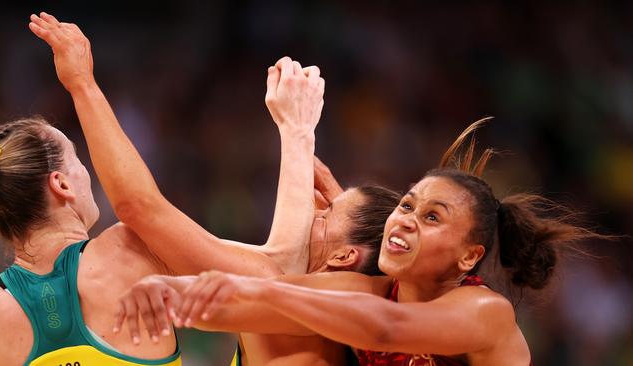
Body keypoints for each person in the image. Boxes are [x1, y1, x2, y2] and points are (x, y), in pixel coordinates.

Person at [26, 12, 400, 366]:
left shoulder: (323, 296)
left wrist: (83, 85)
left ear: (344, 257)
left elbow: (141, 207)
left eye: (327, 213)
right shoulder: (320, 298)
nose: (314, 208)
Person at [118, 120, 605, 366]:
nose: (408, 220)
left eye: (433, 217)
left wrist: (270, 290)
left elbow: (389, 329)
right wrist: (173, 294)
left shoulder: (484, 311)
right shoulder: (366, 292)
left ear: (469, 255)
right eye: (408, 205)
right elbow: (243, 307)